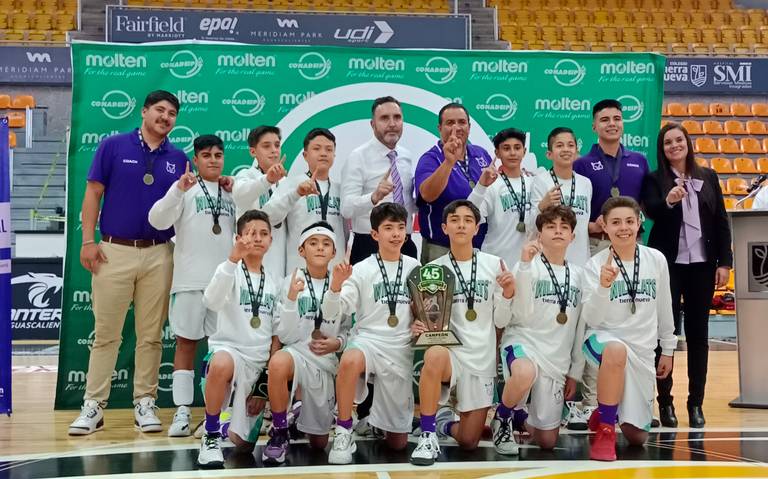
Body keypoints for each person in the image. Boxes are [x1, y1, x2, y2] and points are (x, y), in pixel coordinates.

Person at [69, 90, 190, 436]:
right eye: (160, 110)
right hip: (112, 251)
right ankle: (93, 406)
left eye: (172, 113)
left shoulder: (179, 158)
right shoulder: (113, 146)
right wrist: (88, 241)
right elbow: (93, 193)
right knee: (106, 335)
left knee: (151, 337)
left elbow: (192, 202)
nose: (165, 117)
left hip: (160, 253)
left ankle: (145, 402)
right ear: (144, 111)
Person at [410, 200, 515, 466]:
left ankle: (444, 423)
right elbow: (426, 316)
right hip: (450, 353)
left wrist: (507, 294)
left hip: (481, 356)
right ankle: (428, 434)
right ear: (444, 227)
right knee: (433, 354)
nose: (461, 225)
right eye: (455, 220)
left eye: (468, 220)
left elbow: (501, 319)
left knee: (469, 441)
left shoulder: (494, 265)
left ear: (477, 227)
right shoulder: (433, 269)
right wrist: (418, 324)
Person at [641, 123, 732, 428]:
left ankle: (696, 403)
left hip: (703, 266)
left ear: (688, 143)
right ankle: (665, 403)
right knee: (664, 335)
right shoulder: (655, 179)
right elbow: (651, 210)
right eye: (668, 142)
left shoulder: (708, 176)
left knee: (698, 336)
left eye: (679, 140)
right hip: (668, 265)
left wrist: (725, 262)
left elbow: (721, 220)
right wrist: (669, 200)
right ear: (662, 148)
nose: (674, 146)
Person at [147, 135, 236, 437]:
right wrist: (177, 189)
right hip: (189, 281)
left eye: (218, 155)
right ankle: (182, 411)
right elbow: (157, 220)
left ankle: (220, 412)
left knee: (221, 350)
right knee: (186, 344)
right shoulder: (184, 188)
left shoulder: (231, 191)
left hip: (224, 284)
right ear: (195, 160)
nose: (213, 160)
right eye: (206, 155)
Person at [321, 203, 421, 465]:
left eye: (400, 227)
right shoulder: (362, 268)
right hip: (368, 340)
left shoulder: (415, 267)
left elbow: (423, 309)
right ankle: (343, 429)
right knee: (351, 359)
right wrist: (335, 286)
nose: (396, 234)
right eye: (388, 228)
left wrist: (419, 324)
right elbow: (339, 309)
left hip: (400, 346)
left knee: (398, 444)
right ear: (375, 234)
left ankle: (376, 421)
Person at [581, 196, 676, 462]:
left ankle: (605, 409)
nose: (623, 228)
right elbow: (591, 316)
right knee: (615, 350)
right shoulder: (594, 265)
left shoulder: (656, 259)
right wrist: (603, 287)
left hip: (642, 348)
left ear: (639, 223)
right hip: (602, 339)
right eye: (616, 222)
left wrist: (667, 349)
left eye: (629, 221)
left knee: (637, 437)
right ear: (605, 226)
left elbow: (665, 307)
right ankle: (606, 431)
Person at [493, 205, 586, 455]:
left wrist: (575, 372)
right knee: (523, 373)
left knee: (547, 441)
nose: (557, 231)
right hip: (523, 341)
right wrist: (523, 265)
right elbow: (518, 314)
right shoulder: (526, 265)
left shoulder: (579, 275)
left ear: (572, 236)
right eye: (550, 226)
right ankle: (502, 419)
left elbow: (580, 326)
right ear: (539, 234)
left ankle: (521, 413)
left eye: (564, 227)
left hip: (556, 356)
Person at [197, 210, 281, 468]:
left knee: (243, 446)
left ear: (271, 240)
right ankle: (210, 435)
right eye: (251, 233)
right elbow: (210, 301)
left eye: (263, 233)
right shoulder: (229, 269)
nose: (257, 238)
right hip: (228, 355)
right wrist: (233, 259)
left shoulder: (275, 282)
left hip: (256, 368)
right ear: (238, 238)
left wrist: (262, 385)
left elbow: (277, 338)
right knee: (221, 362)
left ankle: (225, 424)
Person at [261, 222, 346, 465]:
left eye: (326, 244)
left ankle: (297, 417)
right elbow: (285, 335)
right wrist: (290, 299)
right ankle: (279, 431)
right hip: (297, 353)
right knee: (278, 362)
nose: (320, 248)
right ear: (301, 250)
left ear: (333, 251)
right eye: (313, 243)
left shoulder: (342, 282)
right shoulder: (289, 281)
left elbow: (350, 329)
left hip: (326, 362)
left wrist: (338, 343)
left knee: (319, 444)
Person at [342, 96, 418, 263]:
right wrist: (373, 197)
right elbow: (346, 209)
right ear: (372, 124)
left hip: (405, 242)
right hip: (369, 244)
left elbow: (408, 202)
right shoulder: (358, 157)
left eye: (397, 117)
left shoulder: (406, 156)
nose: (392, 123)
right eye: (384, 118)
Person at [415, 103, 493, 263]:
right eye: (450, 123)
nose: (456, 127)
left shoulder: (481, 154)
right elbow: (427, 195)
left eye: (462, 122)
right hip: (441, 248)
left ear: (469, 127)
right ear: (439, 128)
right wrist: (448, 163)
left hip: (478, 248)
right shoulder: (430, 159)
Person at [263, 128, 347, 272]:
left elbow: (346, 232)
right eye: (317, 148)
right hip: (299, 272)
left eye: (328, 149)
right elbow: (269, 217)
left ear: (334, 154)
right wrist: (296, 193)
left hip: (334, 273)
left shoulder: (340, 190)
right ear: (305, 155)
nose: (323, 153)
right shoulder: (290, 184)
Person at [574, 99, 650, 255]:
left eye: (617, 119)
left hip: (634, 241)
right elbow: (573, 211)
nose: (612, 124)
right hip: (597, 243)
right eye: (604, 120)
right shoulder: (581, 165)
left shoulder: (639, 160)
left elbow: (647, 202)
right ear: (594, 127)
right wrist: (591, 225)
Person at [468, 128, 534, 268]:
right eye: (506, 148)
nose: (512, 153)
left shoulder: (534, 183)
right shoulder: (491, 184)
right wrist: (481, 186)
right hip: (495, 263)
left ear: (524, 151)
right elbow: (469, 215)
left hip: (527, 264)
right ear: (497, 153)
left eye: (517, 148)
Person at [530, 127, 592, 267]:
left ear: (576, 151)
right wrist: (542, 206)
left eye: (570, 145)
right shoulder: (540, 181)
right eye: (559, 145)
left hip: (581, 260)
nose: (566, 149)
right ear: (549, 154)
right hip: (550, 260)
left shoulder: (585, 183)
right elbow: (531, 228)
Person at [232, 126, 288, 279]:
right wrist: (268, 179)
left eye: (277, 145)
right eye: (266, 146)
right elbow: (241, 196)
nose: (274, 150)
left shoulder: (284, 181)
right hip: (248, 263)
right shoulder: (245, 175)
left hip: (278, 262)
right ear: (252, 151)